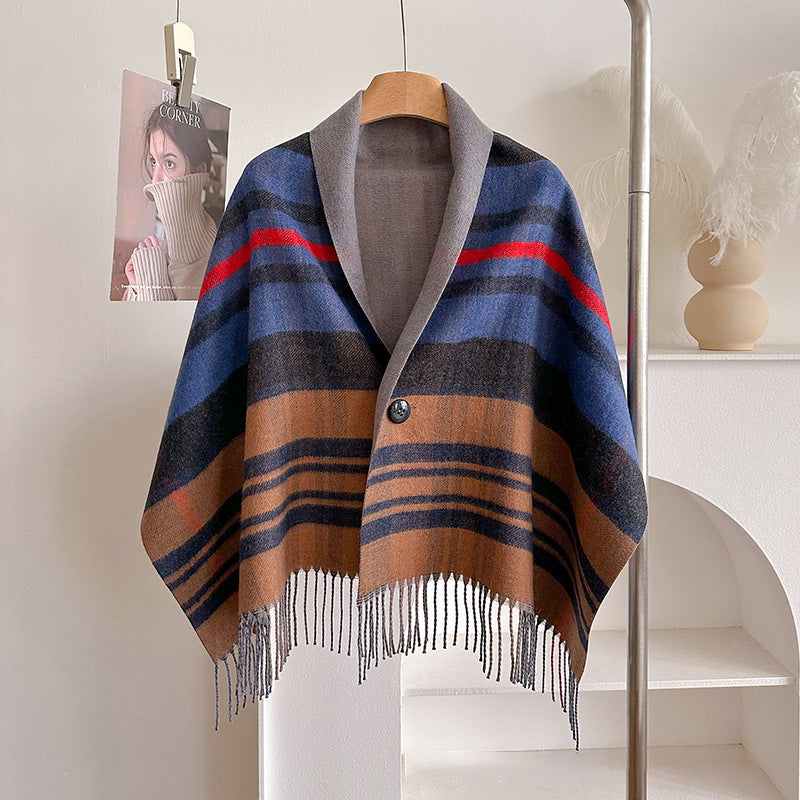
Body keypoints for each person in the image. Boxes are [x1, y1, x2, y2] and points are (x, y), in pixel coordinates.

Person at [122, 102, 218, 300]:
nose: (155, 179)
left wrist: (152, 290)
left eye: (169, 163)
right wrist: (136, 290)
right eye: (153, 161)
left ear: (199, 171)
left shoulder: (219, 257)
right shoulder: (152, 258)